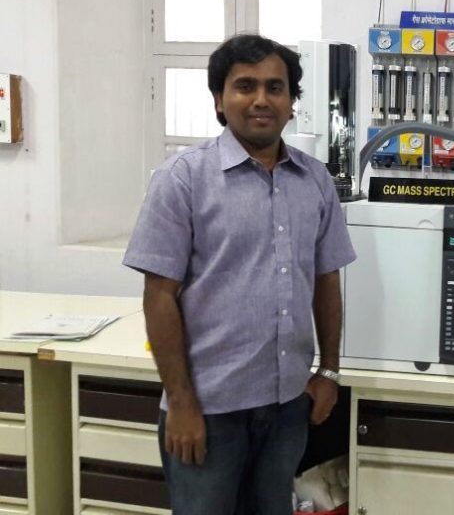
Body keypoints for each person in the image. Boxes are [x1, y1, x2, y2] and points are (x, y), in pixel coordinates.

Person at [124, 33, 356, 515]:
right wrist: (181, 402)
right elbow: (159, 297)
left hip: (288, 407)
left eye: (275, 87)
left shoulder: (315, 181)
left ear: (293, 102)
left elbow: (325, 280)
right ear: (218, 99)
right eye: (244, 86)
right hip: (208, 410)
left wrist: (329, 370)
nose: (260, 99)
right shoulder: (183, 179)